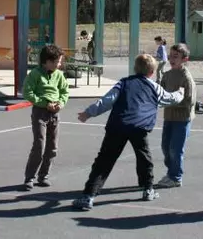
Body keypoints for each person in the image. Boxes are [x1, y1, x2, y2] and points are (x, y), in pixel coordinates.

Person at [72, 54, 185, 211]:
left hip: (118, 125)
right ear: (152, 72)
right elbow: (170, 98)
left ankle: (88, 196)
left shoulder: (123, 83)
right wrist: (181, 92)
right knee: (144, 159)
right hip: (139, 127)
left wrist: (88, 113)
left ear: (134, 68)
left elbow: (106, 101)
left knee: (104, 161)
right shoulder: (154, 86)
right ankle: (148, 189)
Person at [21, 44, 70, 190]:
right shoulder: (35, 74)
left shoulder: (59, 75)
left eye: (59, 61)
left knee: (52, 147)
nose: (59, 64)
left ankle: (43, 176)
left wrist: (60, 103)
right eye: (56, 62)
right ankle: (29, 177)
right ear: (46, 61)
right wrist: (44, 103)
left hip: (54, 114)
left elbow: (64, 92)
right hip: (40, 113)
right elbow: (27, 92)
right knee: (39, 145)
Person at [157, 43, 196, 188]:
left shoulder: (186, 78)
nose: (172, 59)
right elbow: (160, 91)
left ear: (185, 59)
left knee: (176, 149)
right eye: (170, 56)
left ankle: (176, 177)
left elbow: (189, 101)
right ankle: (171, 173)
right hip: (169, 117)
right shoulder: (167, 75)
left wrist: (171, 101)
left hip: (182, 119)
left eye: (176, 57)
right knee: (165, 147)